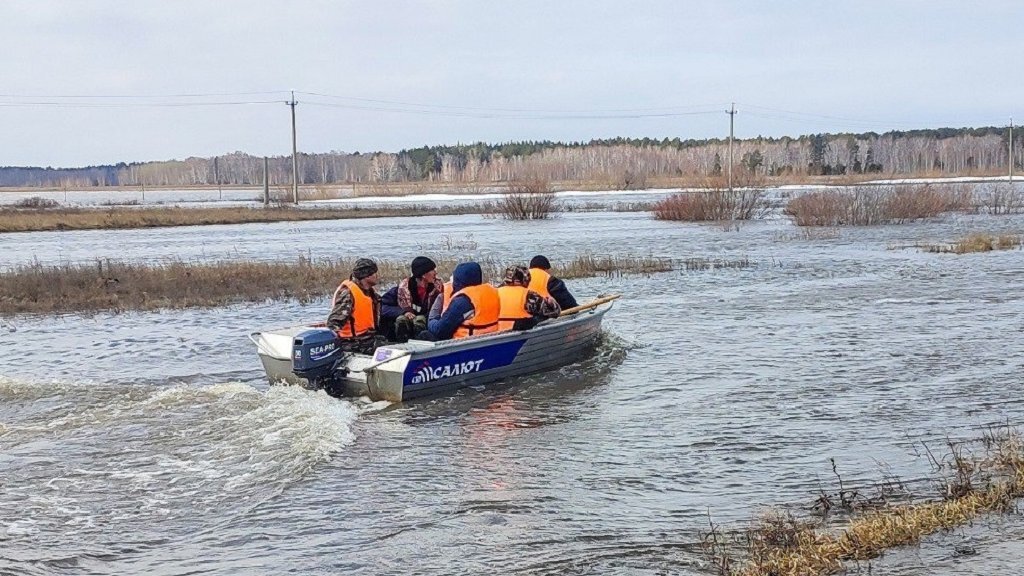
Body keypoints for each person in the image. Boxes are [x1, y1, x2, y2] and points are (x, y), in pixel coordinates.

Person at [422, 262, 500, 341]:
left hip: (465, 343)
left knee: (424, 335)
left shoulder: (463, 301)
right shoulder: (493, 293)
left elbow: (440, 331)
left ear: (458, 281)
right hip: (490, 340)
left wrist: (432, 319)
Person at [379, 256, 444, 342]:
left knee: (419, 320)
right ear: (423, 275)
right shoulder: (401, 289)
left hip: (427, 325)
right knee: (401, 319)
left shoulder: (439, 289)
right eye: (432, 270)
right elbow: (381, 307)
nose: (436, 273)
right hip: (404, 327)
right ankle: (401, 343)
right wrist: (403, 312)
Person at [326, 257, 382, 354]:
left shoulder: (369, 292)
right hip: (353, 343)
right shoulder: (348, 294)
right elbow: (333, 323)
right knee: (397, 351)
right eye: (375, 273)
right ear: (367, 276)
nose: (377, 276)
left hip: (368, 339)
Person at [497, 265, 561, 331]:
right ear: (525, 280)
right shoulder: (528, 295)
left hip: (496, 332)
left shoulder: (496, 292)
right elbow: (554, 312)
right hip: (519, 332)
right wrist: (551, 303)